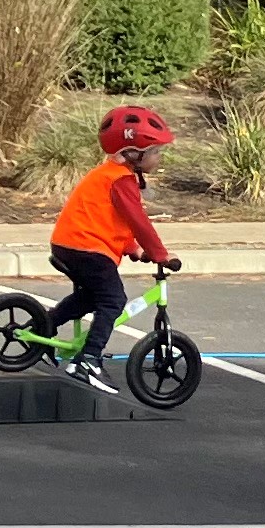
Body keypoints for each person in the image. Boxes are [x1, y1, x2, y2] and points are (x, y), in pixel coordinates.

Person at [37, 105, 182, 378]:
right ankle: (88, 359)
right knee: (114, 300)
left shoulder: (110, 175)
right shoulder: (120, 181)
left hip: (72, 244)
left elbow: (114, 221)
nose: (159, 158)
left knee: (93, 296)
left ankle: (42, 328)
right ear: (133, 153)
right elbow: (139, 221)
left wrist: (134, 249)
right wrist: (160, 254)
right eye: (155, 152)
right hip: (85, 248)